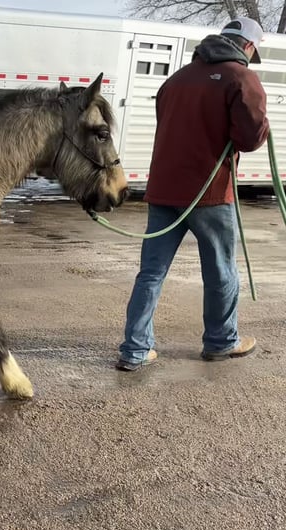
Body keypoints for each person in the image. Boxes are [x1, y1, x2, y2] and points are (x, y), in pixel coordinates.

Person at [116, 16, 270, 371]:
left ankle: (135, 349)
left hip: (163, 190)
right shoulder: (242, 78)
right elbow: (249, 138)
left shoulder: (176, 79)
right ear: (248, 46)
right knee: (220, 272)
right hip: (209, 193)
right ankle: (221, 342)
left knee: (151, 273)